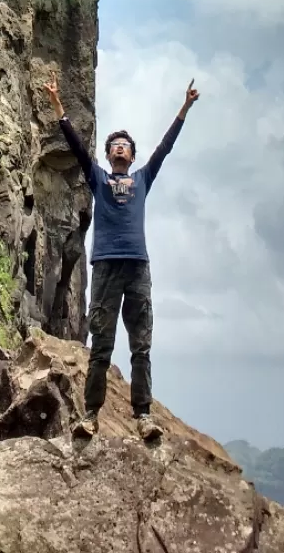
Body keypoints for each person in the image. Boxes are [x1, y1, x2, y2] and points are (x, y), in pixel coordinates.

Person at [44, 69, 200, 441]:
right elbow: (79, 150)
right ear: (109, 153)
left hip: (138, 267)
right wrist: (57, 104)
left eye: (125, 145)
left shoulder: (143, 178)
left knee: (141, 346)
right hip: (106, 267)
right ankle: (91, 415)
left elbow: (165, 147)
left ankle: (143, 416)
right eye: (114, 144)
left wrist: (184, 107)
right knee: (101, 344)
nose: (119, 147)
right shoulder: (99, 179)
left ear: (131, 155)